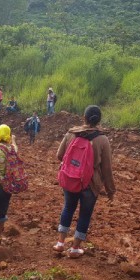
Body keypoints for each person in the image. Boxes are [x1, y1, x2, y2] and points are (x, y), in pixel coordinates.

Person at [53, 105, 116, 258]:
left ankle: (60, 243)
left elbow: (59, 155)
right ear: (99, 120)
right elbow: (107, 168)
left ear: (84, 117)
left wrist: (74, 164)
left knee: (68, 207)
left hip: (70, 179)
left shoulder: (71, 133)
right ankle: (75, 249)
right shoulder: (103, 139)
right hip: (91, 183)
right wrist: (110, 190)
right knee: (85, 214)